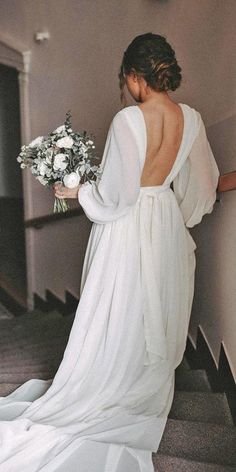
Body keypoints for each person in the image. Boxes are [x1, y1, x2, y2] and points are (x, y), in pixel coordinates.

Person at [0, 32, 230, 472]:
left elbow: (115, 197)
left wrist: (75, 189)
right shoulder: (193, 119)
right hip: (163, 220)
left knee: (119, 306)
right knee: (150, 305)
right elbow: (202, 186)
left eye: (125, 80)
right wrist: (172, 218)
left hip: (125, 230)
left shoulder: (129, 120)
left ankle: (108, 382)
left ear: (133, 75)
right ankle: (140, 385)